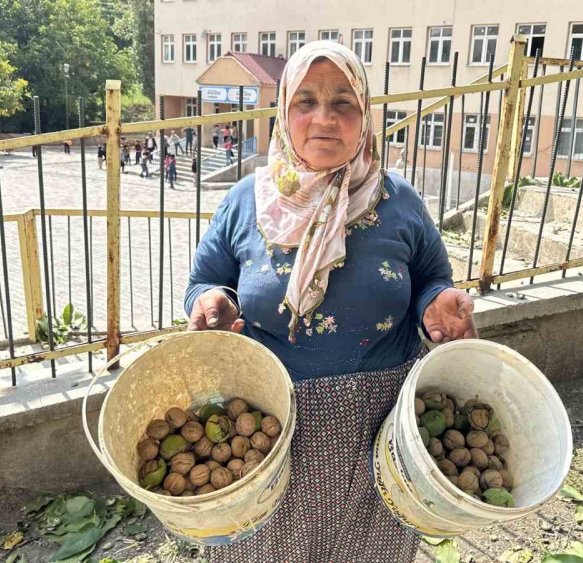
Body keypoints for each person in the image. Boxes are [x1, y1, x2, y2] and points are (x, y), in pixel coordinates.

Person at [184, 41, 476, 561]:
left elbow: (432, 276)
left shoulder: (399, 200)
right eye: (306, 101)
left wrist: (435, 303)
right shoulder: (245, 200)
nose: (324, 118)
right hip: (267, 430)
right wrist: (211, 300)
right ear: (284, 113)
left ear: (365, 114)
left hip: (380, 430)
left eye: (344, 102)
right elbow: (206, 278)